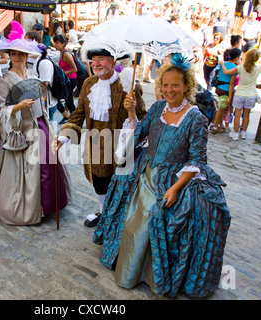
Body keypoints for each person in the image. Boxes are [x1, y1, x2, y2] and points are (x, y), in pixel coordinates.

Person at [93, 55, 231, 298]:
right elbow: (140, 132)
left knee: (159, 221)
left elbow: (198, 160)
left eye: (175, 85)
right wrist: (132, 112)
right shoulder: (158, 108)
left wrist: (176, 188)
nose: (169, 90)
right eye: (165, 85)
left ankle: (150, 276)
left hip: (174, 178)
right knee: (133, 219)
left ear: (186, 86)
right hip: (146, 171)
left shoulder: (196, 119)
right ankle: (129, 268)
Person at [0, 38, 72, 225]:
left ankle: (49, 204)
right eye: (14, 54)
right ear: (9, 56)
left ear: (27, 56)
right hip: (21, 129)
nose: (17, 57)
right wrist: (18, 106)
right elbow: (1, 109)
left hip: (40, 125)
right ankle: (29, 207)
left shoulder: (31, 75)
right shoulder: (3, 80)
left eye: (21, 54)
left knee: (49, 164)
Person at [54, 38, 146, 228]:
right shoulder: (88, 83)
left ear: (113, 62)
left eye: (102, 59)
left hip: (122, 144)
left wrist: (132, 110)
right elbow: (79, 113)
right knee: (99, 181)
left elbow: (144, 118)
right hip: (96, 142)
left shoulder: (129, 85)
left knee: (121, 184)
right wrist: (64, 136)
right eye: (93, 59)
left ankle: (119, 218)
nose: (96, 63)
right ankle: (104, 212)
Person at [219, 48, 261, 140]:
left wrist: (222, 64)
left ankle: (235, 133)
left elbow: (226, 72)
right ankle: (244, 133)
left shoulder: (241, 67)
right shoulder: (258, 68)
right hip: (251, 94)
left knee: (237, 115)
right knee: (246, 115)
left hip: (240, 93)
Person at [209, 48, 241, 134]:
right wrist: (230, 97)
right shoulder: (235, 68)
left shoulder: (223, 64)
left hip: (218, 88)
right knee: (221, 109)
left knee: (216, 107)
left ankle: (214, 124)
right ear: (237, 57)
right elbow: (231, 84)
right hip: (225, 90)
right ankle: (215, 127)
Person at [53, 34, 77, 124]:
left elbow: (75, 69)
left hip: (71, 80)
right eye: (55, 42)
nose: (55, 45)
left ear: (63, 44)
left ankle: (75, 119)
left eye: (57, 43)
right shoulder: (61, 52)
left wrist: (62, 74)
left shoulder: (66, 54)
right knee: (67, 100)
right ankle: (71, 117)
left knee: (68, 101)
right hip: (67, 80)